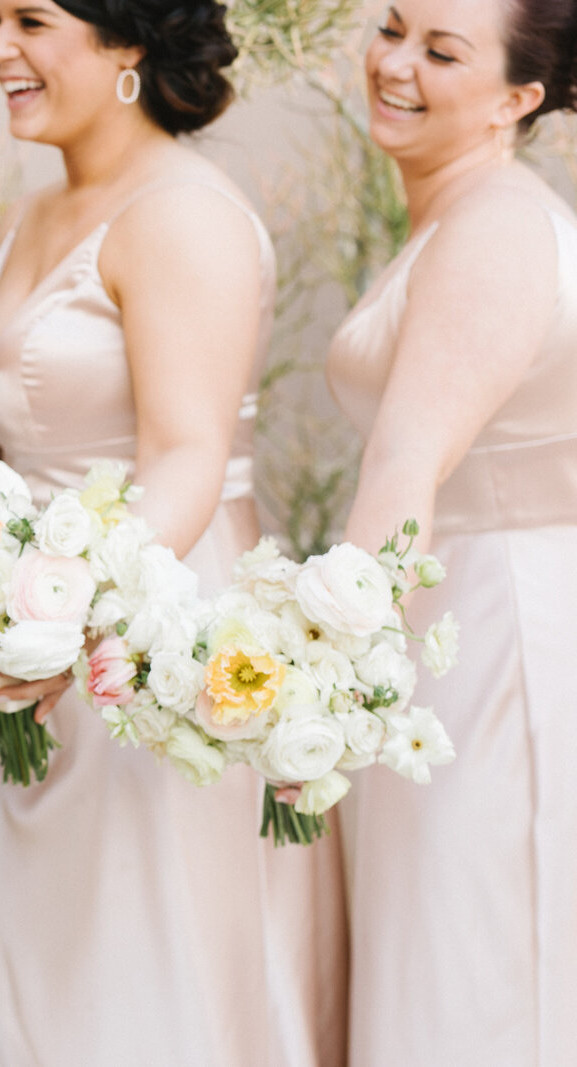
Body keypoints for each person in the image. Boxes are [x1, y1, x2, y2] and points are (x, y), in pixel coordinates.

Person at [0, 0, 346, 1062]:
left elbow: (183, 452)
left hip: (150, 613)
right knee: (40, 955)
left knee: (140, 946)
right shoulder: (38, 208)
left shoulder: (182, 212)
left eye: (32, 20)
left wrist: (73, 615)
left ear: (127, 40)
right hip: (34, 617)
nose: (0, 47)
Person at [328, 0, 577, 1059]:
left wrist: (313, 664)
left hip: (490, 633)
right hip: (440, 613)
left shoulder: (498, 226)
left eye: (439, 51)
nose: (394, 64)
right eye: (391, 28)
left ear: (517, 98)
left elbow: (402, 465)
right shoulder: (456, 210)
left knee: (477, 961)